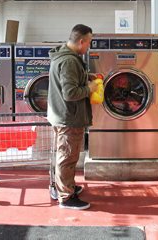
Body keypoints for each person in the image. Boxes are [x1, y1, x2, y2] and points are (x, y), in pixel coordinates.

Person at [47, 24, 98, 210]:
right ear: (81, 41)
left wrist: (85, 76)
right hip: (68, 116)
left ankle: (65, 186)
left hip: (63, 114)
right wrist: (89, 88)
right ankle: (66, 198)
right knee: (67, 157)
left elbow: (67, 81)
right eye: (89, 42)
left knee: (68, 155)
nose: (89, 46)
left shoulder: (65, 56)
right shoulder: (69, 61)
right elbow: (70, 93)